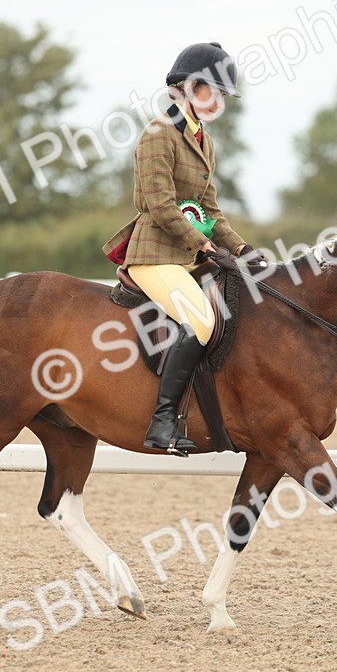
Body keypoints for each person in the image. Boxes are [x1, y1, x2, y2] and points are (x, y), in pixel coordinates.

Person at [102, 42, 255, 456]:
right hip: (154, 254)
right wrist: (202, 243)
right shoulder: (158, 133)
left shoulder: (204, 140)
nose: (218, 101)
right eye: (213, 91)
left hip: (185, 257)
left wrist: (241, 249)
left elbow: (209, 207)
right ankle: (162, 422)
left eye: (221, 94)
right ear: (186, 89)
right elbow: (159, 204)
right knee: (203, 321)